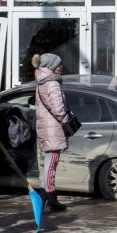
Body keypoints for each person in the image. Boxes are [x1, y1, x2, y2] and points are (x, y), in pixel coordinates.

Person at [34, 52, 70, 214]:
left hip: (47, 126)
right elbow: (58, 108)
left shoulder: (42, 82)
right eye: (58, 64)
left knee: (49, 162)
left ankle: (43, 197)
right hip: (53, 127)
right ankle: (51, 197)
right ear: (51, 67)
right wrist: (66, 120)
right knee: (51, 164)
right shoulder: (52, 84)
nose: (60, 66)